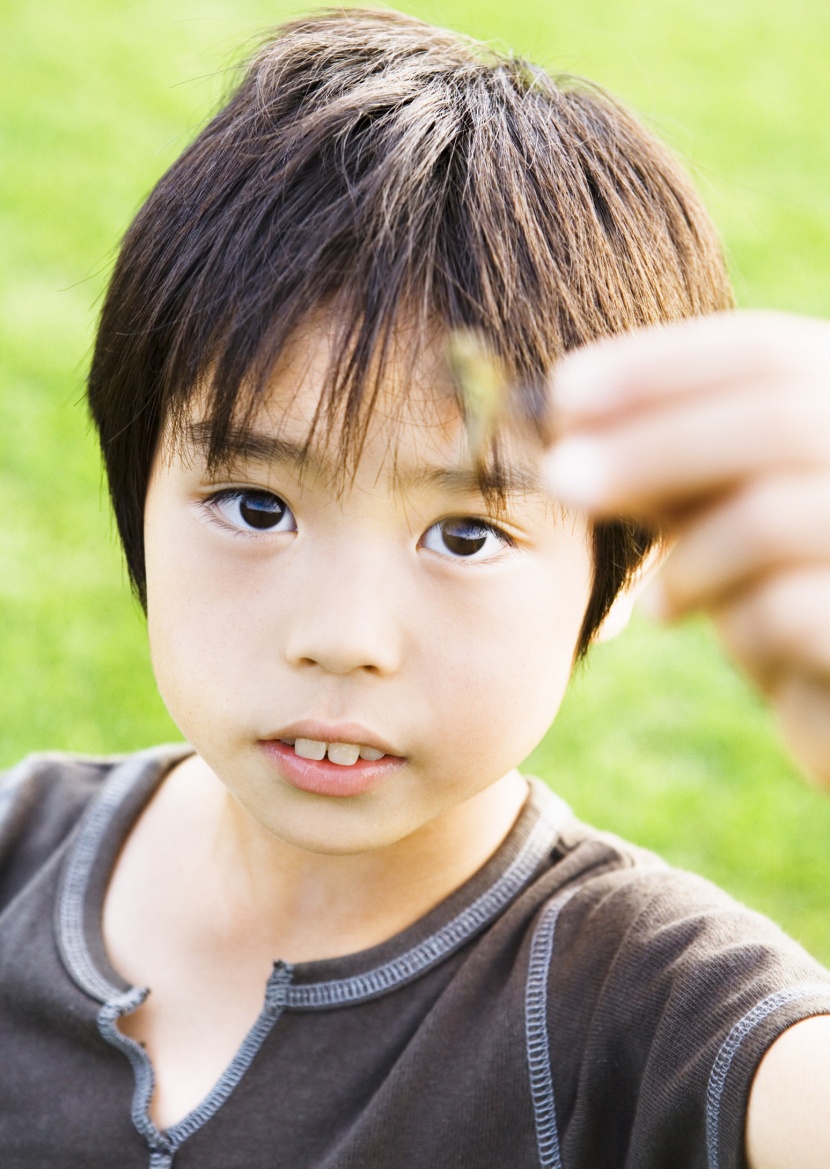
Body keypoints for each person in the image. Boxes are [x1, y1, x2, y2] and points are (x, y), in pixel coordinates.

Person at [0, 8, 828, 1167]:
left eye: (464, 532)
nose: (342, 638)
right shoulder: (20, 848)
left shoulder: (644, 1011)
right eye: (255, 507)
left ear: (626, 560)